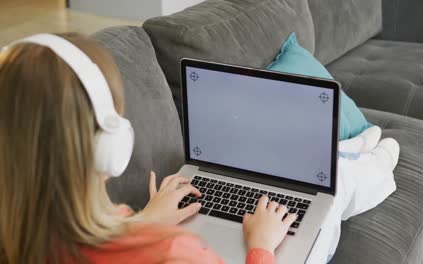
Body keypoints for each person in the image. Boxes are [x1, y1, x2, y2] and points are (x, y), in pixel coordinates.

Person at [0, 33, 297, 264]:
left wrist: (144, 222)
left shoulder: (17, 246)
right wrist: (261, 246)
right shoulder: (174, 253)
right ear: (109, 144)